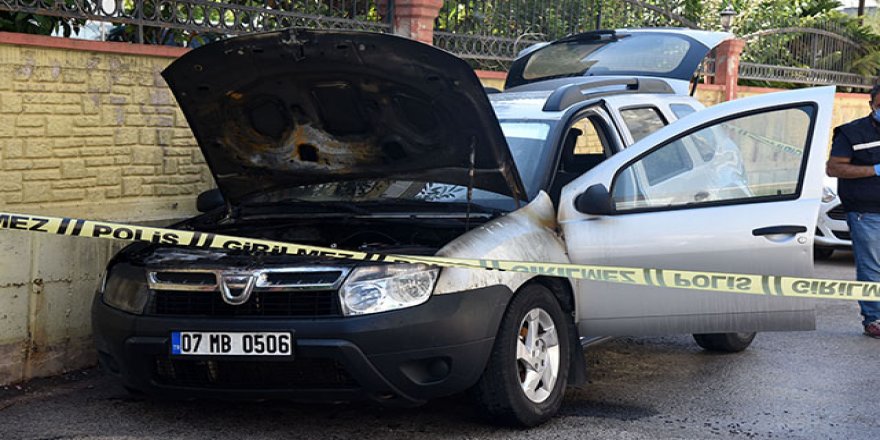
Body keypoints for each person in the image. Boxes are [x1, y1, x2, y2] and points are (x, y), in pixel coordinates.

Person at [826, 84, 880, 338]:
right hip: (866, 212)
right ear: (872, 105)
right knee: (871, 268)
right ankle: (874, 319)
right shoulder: (852, 133)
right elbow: (834, 168)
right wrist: (875, 169)